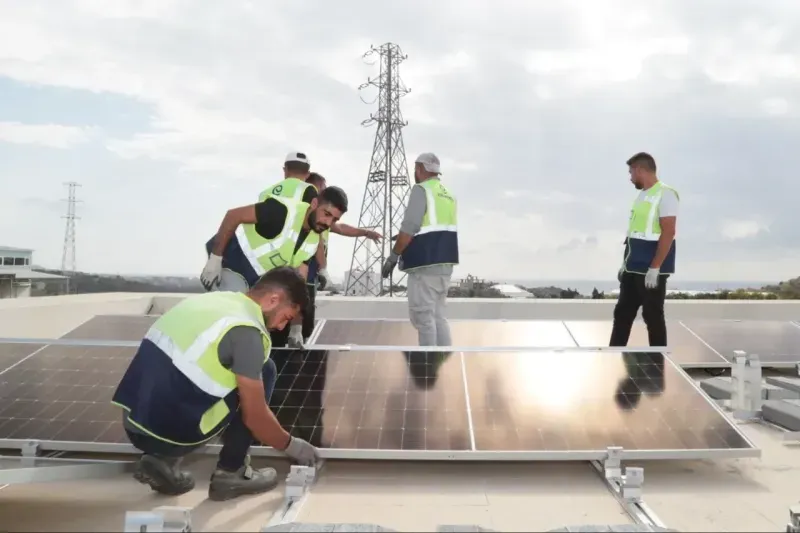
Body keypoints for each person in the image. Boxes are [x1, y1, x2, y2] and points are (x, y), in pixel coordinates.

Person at [111, 267, 319, 501]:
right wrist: (293, 446)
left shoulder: (214, 301)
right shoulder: (247, 332)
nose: (281, 327)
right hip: (167, 433)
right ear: (273, 300)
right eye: (286, 318)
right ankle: (231, 472)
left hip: (133, 422)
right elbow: (256, 417)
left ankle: (162, 461)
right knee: (265, 369)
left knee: (204, 374)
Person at [380, 153, 458, 347]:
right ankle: (444, 361)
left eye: (416, 168)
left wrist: (393, 258)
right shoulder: (448, 194)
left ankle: (428, 363)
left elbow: (409, 227)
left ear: (420, 169)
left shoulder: (421, 190)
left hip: (425, 267)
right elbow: (433, 228)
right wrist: (407, 238)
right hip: (445, 266)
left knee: (424, 319)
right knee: (438, 317)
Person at [609, 152, 679, 349]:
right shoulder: (642, 195)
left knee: (652, 315)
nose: (630, 177)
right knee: (622, 312)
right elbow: (634, 234)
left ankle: (657, 360)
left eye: (631, 172)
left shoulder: (666, 194)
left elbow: (668, 231)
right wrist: (625, 266)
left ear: (640, 170)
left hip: (650, 268)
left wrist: (655, 267)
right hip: (632, 266)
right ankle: (613, 354)